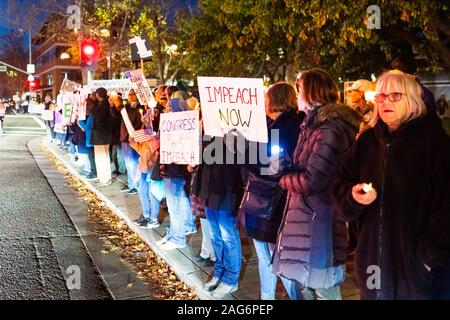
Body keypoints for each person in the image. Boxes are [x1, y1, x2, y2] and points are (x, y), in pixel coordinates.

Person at [334, 71, 450, 300]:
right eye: (380, 96)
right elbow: (340, 182)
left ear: (412, 100)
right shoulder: (366, 142)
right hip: (372, 263)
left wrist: (427, 258)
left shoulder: (434, 143)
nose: (385, 101)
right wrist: (352, 196)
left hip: (417, 269)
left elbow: (446, 207)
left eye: (394, 95)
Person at [272, 68, 361, 300]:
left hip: (320, 219)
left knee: (323, 286)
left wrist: (282, 178)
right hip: (306, 216)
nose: (297, 95)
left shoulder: (330, 128)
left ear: (311, 93)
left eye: (299, 90)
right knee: (307, 284)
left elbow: (314, 179)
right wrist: (283, 164)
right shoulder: (311, 125)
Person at [239, 82, 304, 300]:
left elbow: (269, 167)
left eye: (266, 98)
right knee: (271, 255)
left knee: (275, 256)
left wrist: (244, 155)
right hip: (270, 200)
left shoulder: (285, 128)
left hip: (272, 202)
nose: (263, 102)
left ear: (274, 100)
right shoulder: (283, 124)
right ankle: (267, 297)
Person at [91, 88, 113, 186]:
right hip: (103, 134)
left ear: (98, 95)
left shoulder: (103, 105)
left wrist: (93, 108)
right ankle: (104, 177)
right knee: (103, 156)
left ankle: (105, 179)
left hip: (101, 135)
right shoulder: (104, 103)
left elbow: (99, 118)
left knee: (102, 157)